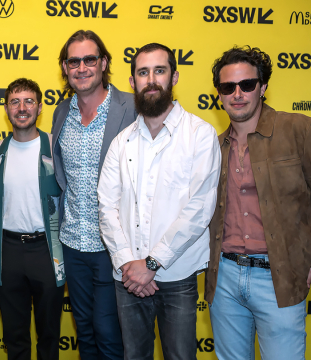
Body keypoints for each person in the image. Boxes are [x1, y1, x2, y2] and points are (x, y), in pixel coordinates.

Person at [98, 43, 221, 360]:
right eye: (143, 72)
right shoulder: (120, 142)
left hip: (177, 276)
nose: (151, 79)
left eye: (159, 70)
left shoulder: (200, 135)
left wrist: (150, 264)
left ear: (174, 76)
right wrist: (129, 263)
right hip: (127, 278)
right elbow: (106, 208)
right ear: (132, 82)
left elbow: (199, 211)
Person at [205, 45, 311, 360]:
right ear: (219, 95)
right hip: (224, 279)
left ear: (262, 87)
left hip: (279, 278)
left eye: (247, 84)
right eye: (227, 87)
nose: (237, 94)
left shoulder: (297, 129)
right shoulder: (213, 147)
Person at [51, 29, 136, 359]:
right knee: (84, 331)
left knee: (109, 333)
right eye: (74, 61)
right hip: (72, 243)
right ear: (65, 67)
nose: (82, 67)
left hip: (113, 245)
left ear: (103, 63)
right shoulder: (61, 113)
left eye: (89, 59)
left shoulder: (131, 107)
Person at [0, 78, 65, 360]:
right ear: (6, 108)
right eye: (15, 102)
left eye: (29, 101)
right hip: (7, 251)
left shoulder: (56, 148)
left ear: (40, 107)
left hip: (47, 251)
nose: (22, 108)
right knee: (15, 336)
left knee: (48, 336)